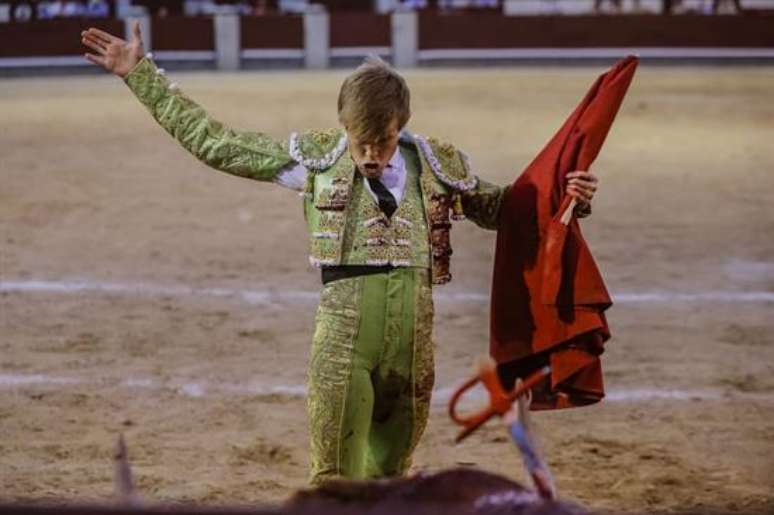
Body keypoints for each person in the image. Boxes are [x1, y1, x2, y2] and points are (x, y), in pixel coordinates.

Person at [80, 22, 599, 485]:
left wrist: (567, 196)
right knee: (333, 482)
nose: (372, 154)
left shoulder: (439, 167)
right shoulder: (315, 160)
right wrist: (140, 74)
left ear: (403, 126)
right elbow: (214, 142)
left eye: (385, 141)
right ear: (344, 127)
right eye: (362, 141)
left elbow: (509, 209)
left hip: (415, 349)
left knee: (391, 481)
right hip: (343, 347)